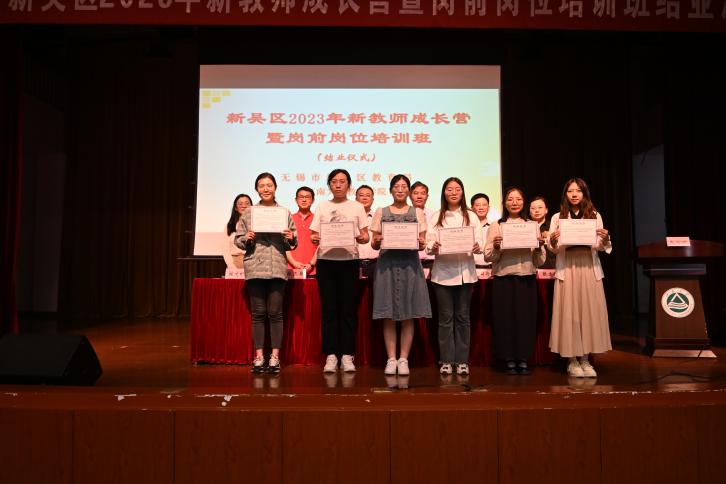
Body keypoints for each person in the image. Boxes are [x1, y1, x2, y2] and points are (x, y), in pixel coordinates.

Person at [547, 177, 612, 378]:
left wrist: (605, 239)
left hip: (589, 268)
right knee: (570, 314)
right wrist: (553, 241)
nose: (574, 194)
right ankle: (572, 360)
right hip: (568, 268)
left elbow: (600, 246)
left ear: (584, 193)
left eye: (578, 191)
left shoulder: (594, 215)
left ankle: (585, 359)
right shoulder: (557, 217)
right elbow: (553, 248)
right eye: (570, 191)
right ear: (565, 195)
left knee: (588, 314)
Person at [235, 173, 297, 374]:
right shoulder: (249, 213)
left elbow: (293, 241)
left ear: (275, 187)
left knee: (276, 314)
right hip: (255, 267)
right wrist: (247, 237)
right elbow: (238, 239)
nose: (266, 189)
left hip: (277, 267)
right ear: (257, 189)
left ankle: (275, 357)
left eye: (269, 185)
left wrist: (290, 237)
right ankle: (259, 356)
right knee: (258, 314)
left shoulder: (284, 212)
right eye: (261, 185)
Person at [369, 175, 431, 375]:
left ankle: (403, 359)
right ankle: (391, 359)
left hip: (410, 266)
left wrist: (421, 243)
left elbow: (422, 242)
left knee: (408, 314)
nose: (400, 189)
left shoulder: (417, 212)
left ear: (409, 191)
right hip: (386, 266)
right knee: (388, 314)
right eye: (396, 186)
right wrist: (377, 240)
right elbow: (374, 244)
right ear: (390, 190)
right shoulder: (381, 211)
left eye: (404, 186)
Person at [310, 169, 370, 373]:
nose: (338, 185)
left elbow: (365, 236)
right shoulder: (322, 206)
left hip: (349, 261)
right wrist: (315, 238)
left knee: (347, 309)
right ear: (329, 185)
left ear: (349, 185)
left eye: (342, 181)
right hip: (326, 261)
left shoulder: (357, 207)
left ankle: (347, 354)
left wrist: (361, 237)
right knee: (329, 310)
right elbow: (313, 235)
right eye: (334, 181)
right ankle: (331, 355)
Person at [485, 187, 546, 375]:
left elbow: (539, 261)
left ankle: (523, 357)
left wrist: (539, 247)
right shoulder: (496, 225)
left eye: (518, 199)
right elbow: (488, 256)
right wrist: (497, 247)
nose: (514, 202)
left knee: (525, 319)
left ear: (523, 202)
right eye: (510, 199)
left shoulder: (531, 225)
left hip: (526, 278)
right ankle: (509, 358)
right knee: (505, 319)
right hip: (503, 278)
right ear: (504, 203)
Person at [426, 177, 482, 376]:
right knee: (445, 318)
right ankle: (447, 360)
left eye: (457, 189)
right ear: (444, 193)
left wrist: (477, 246)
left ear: (462, 192)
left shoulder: (471, 216)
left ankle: (462, 360)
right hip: (443, 275)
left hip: (466, 274)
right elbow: (428, 245)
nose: (453, 192)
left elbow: (479, 242)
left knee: (463, 318)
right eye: (449, 189)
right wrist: (433, 246)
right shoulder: (436, 216)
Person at [286, 186, 317, 275]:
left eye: (307, 197)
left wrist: (311, 264)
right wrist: (294, 263)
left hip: (313, 269)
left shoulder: (317, 219)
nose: (304, 200)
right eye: (301, 197)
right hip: (291, 269)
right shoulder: (289, 219)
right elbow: (284, 245)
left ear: (313, 200)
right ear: (296, 200)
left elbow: (321, 245)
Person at [355, 185, 379, 276]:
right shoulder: (350, 219)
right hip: (354, 264)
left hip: (376, 264)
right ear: (356, 199)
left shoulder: (378, 217)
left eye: (368, 195)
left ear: (373, 199)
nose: (365, 198)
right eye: (361, 195)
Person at [223, 194, 252, 269]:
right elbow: (225, 249)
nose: (244, 206)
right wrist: (231, 266)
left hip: (252, 263)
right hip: (235, 263)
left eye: (247, 203)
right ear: (235, 208)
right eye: (240, 204)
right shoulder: (230, 225)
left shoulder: (256, 225)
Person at [410, 181, 434, 268]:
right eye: (416, 193)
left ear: (427, 196)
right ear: (410, 196)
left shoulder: (434, 216)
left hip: (431, 261)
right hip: (410, 261)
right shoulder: (404, 215)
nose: (419, 196)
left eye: (423, 193)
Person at [529, 196, 556, 268]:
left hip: (551, 267)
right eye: (533, 208)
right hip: (530, 268)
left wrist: (550, 236)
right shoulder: (526, 228)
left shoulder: (553, 226)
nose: (536, 210)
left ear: (546, 210)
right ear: (529, 211)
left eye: (540, 207)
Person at [470, 193, 492, 268]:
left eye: (484, 205)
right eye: (478, 205)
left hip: (491, 268)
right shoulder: (467, 228)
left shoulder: (494, 226)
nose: (481, 208)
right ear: (472, 208)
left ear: (488, 208)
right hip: (472, 269)